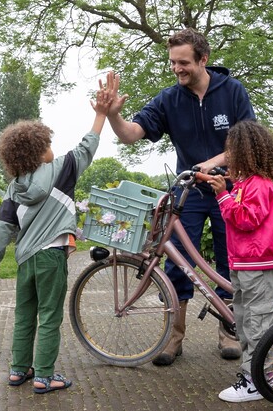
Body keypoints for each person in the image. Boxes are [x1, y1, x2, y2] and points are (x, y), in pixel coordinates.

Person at [100, 28, 255, 365]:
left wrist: (210, 164)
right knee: (178, 261)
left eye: (183, 62)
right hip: (190, 192)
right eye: (172, 63)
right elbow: (131, 134)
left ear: (203, 59)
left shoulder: (232, 92)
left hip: (232, 189)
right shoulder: (169, 99)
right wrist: (113, 114)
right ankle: (175, 334)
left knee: (233, 259)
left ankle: (229, 330)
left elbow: (246, 141)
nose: (177, 68)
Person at [0, 93, 109, 394]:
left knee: (25, 314)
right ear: (38, 152)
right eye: (48, 145)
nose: (53, 149)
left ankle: (18, 370)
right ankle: (43, 376)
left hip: (26, 258)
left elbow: (2, 225)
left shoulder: (14, 187)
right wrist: (101, 115)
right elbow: (86, 147)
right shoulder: (63, 168)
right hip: (51, 255)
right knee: (50, 315)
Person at [202, 121, 273, 402]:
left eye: (232, 152)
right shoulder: (245, 184)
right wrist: (222, 186)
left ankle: (259, 381)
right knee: (244, 320)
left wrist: (221, 195)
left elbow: (246, 219)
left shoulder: (260, 186)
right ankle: (253, 374)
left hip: (257, 264)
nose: (229, 157)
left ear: (246, 154)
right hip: (243, 263)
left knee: (258, 323)